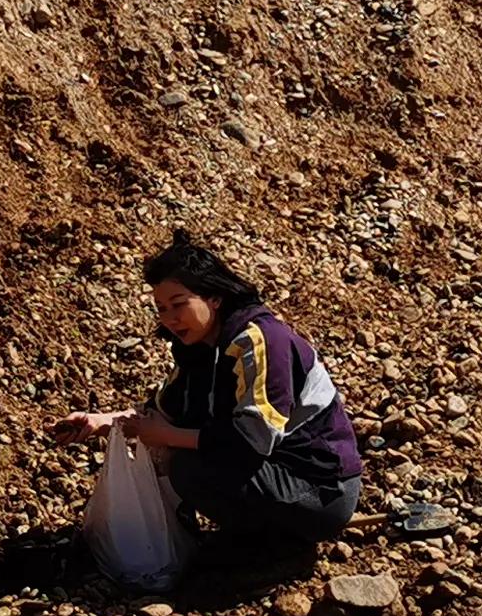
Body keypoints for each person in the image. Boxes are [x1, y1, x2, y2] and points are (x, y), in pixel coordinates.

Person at [52, 232, 363, 558]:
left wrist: (169, 436)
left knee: (187, 465)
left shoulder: (259, 341)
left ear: (214, 298)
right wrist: (100, 422)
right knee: (181, 455)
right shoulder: (200, 350)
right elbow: (163, 413)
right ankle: (253, 538)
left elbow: (254, 439)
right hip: (275, 474)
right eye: (161, 309)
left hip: (321, 490)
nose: (170, 319)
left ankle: (271, 548)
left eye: (179, 304)